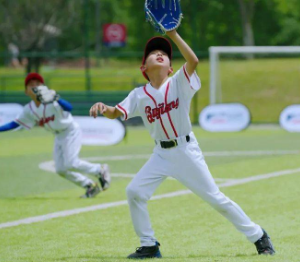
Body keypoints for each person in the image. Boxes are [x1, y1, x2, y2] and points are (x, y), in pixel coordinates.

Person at [89, 30, 275, 259]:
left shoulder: (178, 82)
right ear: (143, 68)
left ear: (169, 67)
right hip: (161, 154)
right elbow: (116, 112)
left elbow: (193, 61)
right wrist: (103, 107)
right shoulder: (139, 94)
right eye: (153, 53)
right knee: (134, 191)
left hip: (186, 151)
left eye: (164, 54)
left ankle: (258, 236)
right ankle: (149, 245)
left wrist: (174, 35)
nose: (159, 54)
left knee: (216, 199)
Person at [0, 73, 111, 198]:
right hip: (58, 135)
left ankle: (99, 170)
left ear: (44, 87)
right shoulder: (29, 109)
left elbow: (69, 107)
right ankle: (89, 185)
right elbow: (14, 124)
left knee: (71, 163)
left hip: (70, 131)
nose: (35, 87)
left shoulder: (50, 101)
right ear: (26, 91)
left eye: (38, 84)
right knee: (60, 169)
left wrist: (56, 98)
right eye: (31, 85)